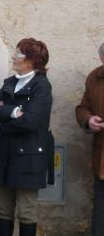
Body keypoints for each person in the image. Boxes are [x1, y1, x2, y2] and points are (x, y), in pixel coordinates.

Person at [0, 38, 54, 236]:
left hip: (30, 157)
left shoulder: (41, 86)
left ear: (32, 61)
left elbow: (32, 121)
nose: (14, 57)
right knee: (3, 210)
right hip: (5, 156)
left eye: (19, 54)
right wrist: (15, 112)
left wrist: (4, 113)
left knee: (26, 212)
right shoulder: (10, 83)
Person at [76, 42, 104, 236]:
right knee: (101, 213)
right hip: (102, 157)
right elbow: (82, 107)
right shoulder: (95, 77)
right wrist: (88, 120)